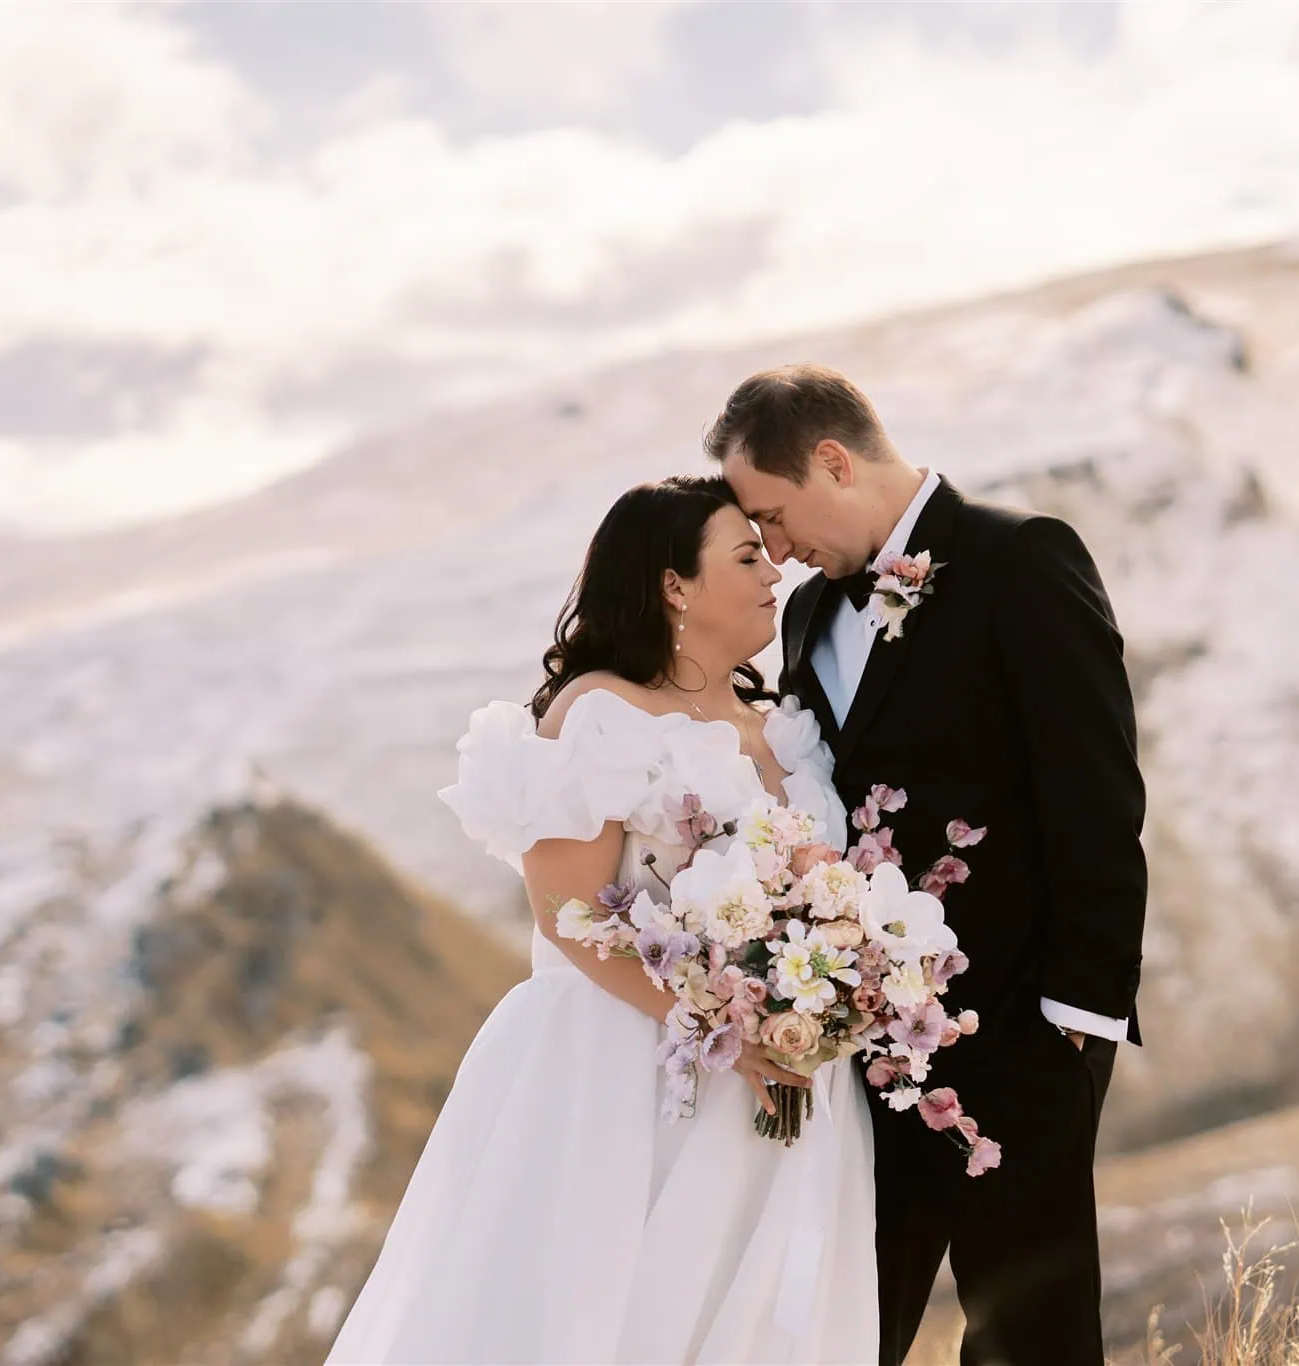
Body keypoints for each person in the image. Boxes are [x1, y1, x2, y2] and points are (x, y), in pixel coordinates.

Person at [325, 476, 877, 1365]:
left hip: (787, 1076)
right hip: (631, 1071)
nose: (774, 570)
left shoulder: (787, 730)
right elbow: (569, 916)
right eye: (745, 555)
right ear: (673, 585)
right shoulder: (600, 714)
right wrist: (719, 1030)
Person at [712, 364, 1149, 1366]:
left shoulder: (1020, 560)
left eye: (775, 517)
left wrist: (1073, 1019)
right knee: (847, 1318)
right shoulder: (807, 617)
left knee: (1023, 1331)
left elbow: (1093, 792)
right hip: (861, 1036)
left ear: (831, 460)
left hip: (1021, 1025)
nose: (774, 554)